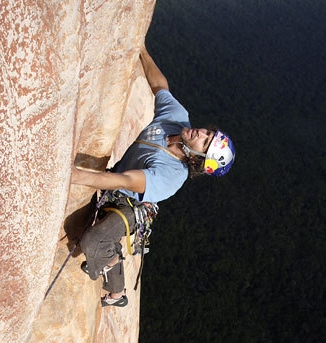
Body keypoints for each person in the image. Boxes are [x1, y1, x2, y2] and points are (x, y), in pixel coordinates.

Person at [71, 45, 235, 307]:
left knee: (93, 241)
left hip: (129, 204)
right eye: (209, 134)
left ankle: (117, 292)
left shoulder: (169, 176)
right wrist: (142, 50)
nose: (201, 132)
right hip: (119, 182)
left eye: (205, 142)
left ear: (198, 159)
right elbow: (161, 87)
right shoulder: (177, 121)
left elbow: (122, 182)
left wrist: (75, 176)